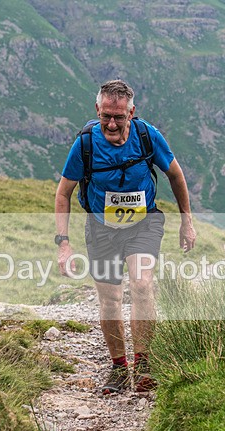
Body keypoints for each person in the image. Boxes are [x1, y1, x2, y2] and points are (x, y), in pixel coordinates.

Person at [54, 79, 196, 394]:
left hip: (143, 223)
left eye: (119, 116)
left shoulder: (148, 137)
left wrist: (187, 221)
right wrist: (63, 243)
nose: (112, 123)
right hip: (100, 228)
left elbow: (175, 174)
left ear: (132, 112)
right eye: (106, 115)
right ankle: (119, 369)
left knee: (142, 284)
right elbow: (63, 193)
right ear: (97, 110)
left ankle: (143, 365)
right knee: (110, 299)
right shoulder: (85, 144)